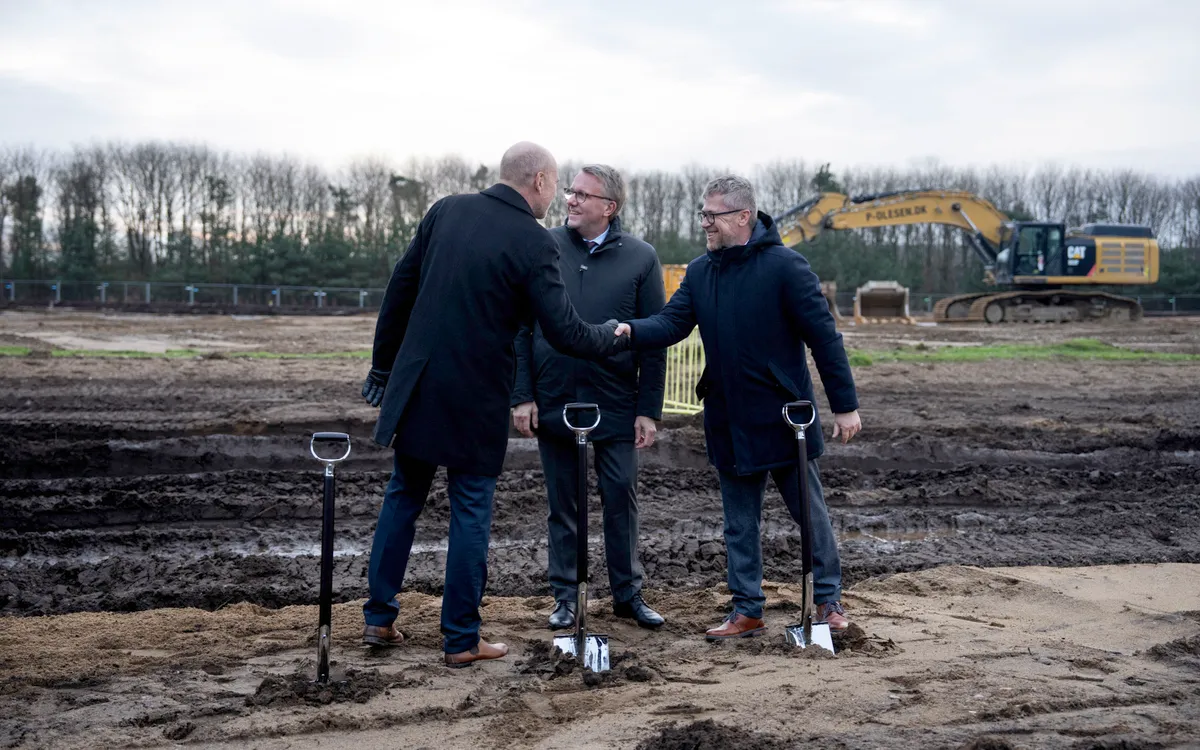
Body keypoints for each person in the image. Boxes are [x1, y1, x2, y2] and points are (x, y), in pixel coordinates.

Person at [359, 142, 629, 667]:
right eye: (559, 187)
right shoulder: (534, 242)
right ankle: (461, 639)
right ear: (540, 181)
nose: (560, 197)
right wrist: (613, 335)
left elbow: (400, 288)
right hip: (475, 395)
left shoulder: (446, 209)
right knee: (470, 512)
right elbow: (566, 332)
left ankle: (378, 618)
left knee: (403, 498)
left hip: (416, 387)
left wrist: (382, 366)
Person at [614, 175, 861, 641]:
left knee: (810, 516)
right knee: (738, 524)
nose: (705, 223)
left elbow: (825, 338)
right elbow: (672, 323)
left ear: (742, 217)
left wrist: (844, 406)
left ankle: (828, 602)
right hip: (727, 418)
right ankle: (747, 609)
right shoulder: (702, 271)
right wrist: (631, 329)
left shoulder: (787, 267)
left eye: (713, 215)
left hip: (786, 419)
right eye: (703, 214)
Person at [511, 164, 667, 631]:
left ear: (609, 207)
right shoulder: (543, 246)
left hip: (616, 399)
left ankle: (628, 595)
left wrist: (648, 410)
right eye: (571, 191)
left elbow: (653, 337)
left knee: (620, 496)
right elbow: (520, 327)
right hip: (554, 396)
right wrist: (523, 395)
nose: (571, 200)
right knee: (564, 502)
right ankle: (565, 597)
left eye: (582, 194)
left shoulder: (641, 258)